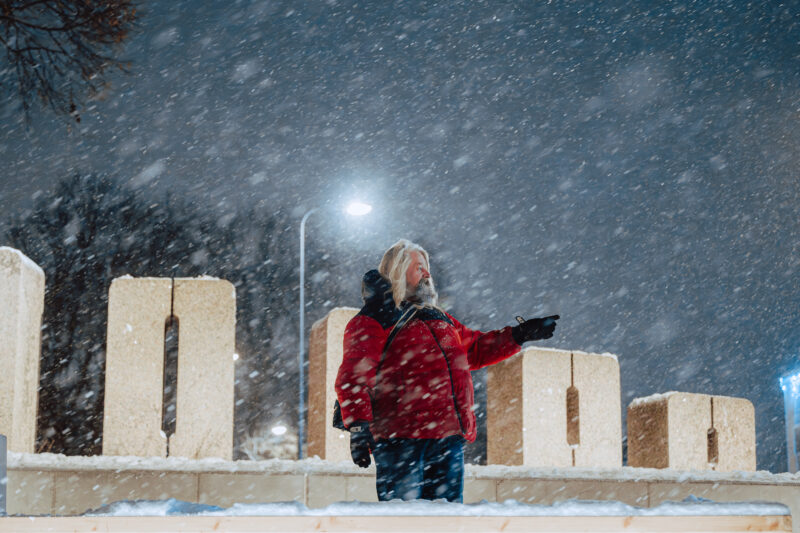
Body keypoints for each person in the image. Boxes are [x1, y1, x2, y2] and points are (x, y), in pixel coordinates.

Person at [334, 239, 558, 502]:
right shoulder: (373, 319)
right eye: (419, 267)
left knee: (448, 522)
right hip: (401, 441)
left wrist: (519, 334)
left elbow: (473, 349)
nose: (427, 273)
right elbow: (354, 377)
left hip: (448, 439)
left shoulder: (439, 319)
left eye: (426, 267)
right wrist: (359, 429)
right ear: (398, 271)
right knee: (403, 523)